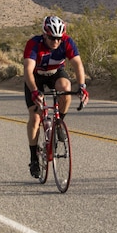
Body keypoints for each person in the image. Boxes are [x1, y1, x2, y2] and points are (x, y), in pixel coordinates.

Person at [23, 16, 88, 178]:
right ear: (44, 34)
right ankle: (34, 158)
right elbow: (28, 70)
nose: (56, 42)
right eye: (52, 38)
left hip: (55, 73)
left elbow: (77, 64)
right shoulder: (34, 44)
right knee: (35, 118)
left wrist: (82, 87)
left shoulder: (67, 41)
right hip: (36, 76)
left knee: (66, 89)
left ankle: (59, 123)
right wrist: (34, 91)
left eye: (59, 38)